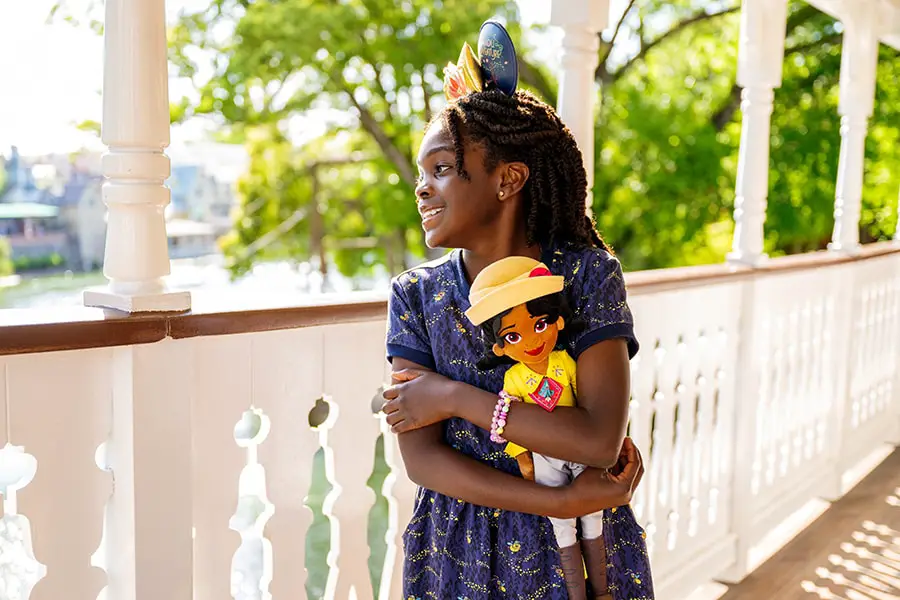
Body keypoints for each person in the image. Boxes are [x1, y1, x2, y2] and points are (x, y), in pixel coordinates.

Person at [381, 20, 654, 600]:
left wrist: (455, 397)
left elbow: (600, 440)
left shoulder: (583, 273)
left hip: (582, 551)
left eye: (442, 169)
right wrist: (557, 500)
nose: (421, 188)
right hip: (458, 549)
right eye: (420, 174)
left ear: (508, 180)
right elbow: (423, 462)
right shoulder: (416, 296)